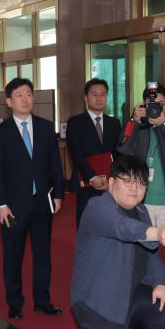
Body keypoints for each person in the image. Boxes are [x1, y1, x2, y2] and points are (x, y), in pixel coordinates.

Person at [70, 155, 165, 329]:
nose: (134, 188)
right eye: (127, 180)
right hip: (97, 302)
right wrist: (157, 233)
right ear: (111, 182)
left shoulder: (141, 211)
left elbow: (151, 255)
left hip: (131, 293)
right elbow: (121, 227)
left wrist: (160, 284)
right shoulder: (98, 206)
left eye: (140, 183)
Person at [0, 78, 65, 320]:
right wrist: (1, 205)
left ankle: (42, 300)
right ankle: (15, 302)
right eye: (19, 95)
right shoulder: (0, 133)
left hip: (42, 202)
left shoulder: (45, 127)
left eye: (29, 94)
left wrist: (59, 194)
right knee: (13, 255)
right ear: (9, 102)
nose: (25, 99)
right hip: (13, 207)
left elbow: (55, 164)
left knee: (43, 254)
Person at [117, 82, 165, 286]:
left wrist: (163, 124)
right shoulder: (139, 128)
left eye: (160, 104)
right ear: (143, 105)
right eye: (151, 104)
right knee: (141, 250)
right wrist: (133, 120)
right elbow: (122, 148)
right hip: (142, 204)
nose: (155, 108)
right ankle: (144, 290)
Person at [66, 78, 122, 227]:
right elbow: (76, 153)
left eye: (102, 94)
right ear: (86, 98)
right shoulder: (75, 122)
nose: (99, 98)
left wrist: (113, 179)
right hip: (86, 182)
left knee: (110, 224)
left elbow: (118, 153)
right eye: (94, 94)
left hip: (109, 184)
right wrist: (92, 177)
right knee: (86, 225)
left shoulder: (114, 123)